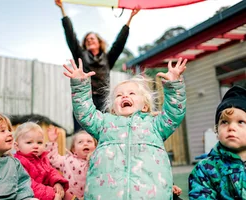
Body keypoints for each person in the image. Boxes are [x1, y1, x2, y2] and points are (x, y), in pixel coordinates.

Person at [62, 57, 187, 199]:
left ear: (145, 106)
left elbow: (174, 112)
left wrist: (174, 84)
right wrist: (80, 85)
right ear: (113, 109)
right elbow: (85, 113)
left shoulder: (155, 125)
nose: (125, 96)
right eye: (119, 95)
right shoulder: (104, 124)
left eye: (132, 93)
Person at [55, 0, 140, 133]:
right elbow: (70, 35)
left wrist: (130, 17)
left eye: (92, 38)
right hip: (85, 99)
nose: (89, 40)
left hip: (104, 100)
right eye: (87, 39)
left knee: (105, 132)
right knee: (82, 135)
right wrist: (62, 9)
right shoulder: (81, 55)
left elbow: (119, 42)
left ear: (99, 42)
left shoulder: (107, 58)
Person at [188, 86, 246, 199]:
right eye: (224, 122)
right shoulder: (205, 169)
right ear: (217, 129)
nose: (231, 127)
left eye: (240, 122)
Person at [13, 122, 69, 200]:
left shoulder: (42, 158)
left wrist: (57, 183)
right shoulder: (18, 162)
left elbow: (51, 172)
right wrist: (52, 193)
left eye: (39, 142)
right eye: (29, 142)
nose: (36, 146)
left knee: (66, 193)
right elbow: (28, 184)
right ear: (17, 146)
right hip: (28, 195)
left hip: (45, 192)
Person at [0, 112, 36, 200]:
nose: (10, 133)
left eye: (9, 130)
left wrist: (27, 198)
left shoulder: (13, 162)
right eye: (2, 131)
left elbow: (23, 183)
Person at [46, 127, 97, 200]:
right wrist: (52, 141)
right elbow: (52, 159)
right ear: (74, 149)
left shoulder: (96, 161)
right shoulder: (67, 160)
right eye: (80, 142)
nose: (85, 144)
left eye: (89, 141)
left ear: (95, 147)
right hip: (69, 197)